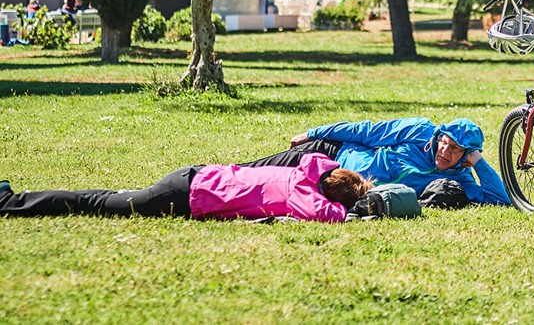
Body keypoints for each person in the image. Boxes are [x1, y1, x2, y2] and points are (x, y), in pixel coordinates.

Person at [0, 153, 370, 222]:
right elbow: (329, 215)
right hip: (186, 196)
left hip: (193, 177)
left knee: (112, 199)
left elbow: (321, 161)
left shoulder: (304, 171)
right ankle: (11, 201)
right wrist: (356, 208)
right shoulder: (303, 195)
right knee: (98, 203)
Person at [244, 117, 511, 206]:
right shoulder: (419, 130)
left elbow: (500, 200)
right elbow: (365, 131)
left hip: (345, 186)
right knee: (252, 172)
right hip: (332, 154)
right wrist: (313, 134)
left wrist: (478, 161)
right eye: (445, 142)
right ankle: (217, 174)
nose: (444, 150)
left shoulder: (459, 180)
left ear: (466, 157)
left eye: (455, 149)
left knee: (271, 190)